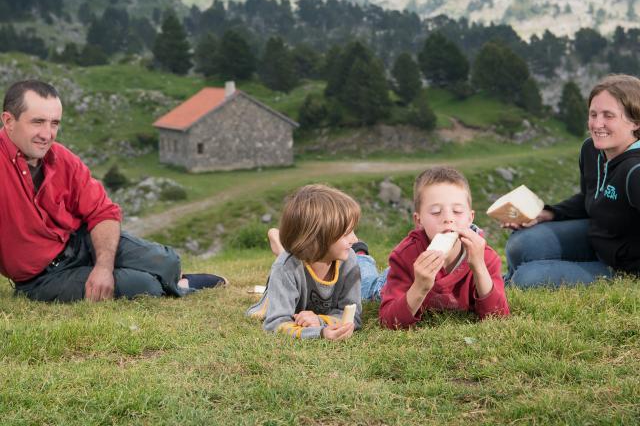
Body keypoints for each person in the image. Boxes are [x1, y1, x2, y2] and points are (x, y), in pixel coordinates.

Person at [0, 80, 227, 302]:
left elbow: (103, 212)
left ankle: (173, 278)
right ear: (9, 121)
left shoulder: (62, 158)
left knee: (168, 261)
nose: (47, 134)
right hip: (42, 278)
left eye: (54, 123)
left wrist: (103, 267)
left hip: (80, 243)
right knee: (143, 286)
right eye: (38, 122)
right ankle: (176, 285)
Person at [504, 74, 640, 287]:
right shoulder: (591, 150)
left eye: (608, 116)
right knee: (519, 243)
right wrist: (548, 213)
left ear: (635, 122)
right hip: (596, 238)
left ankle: (507, 285)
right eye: (593, 114)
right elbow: (591, 197)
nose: (597, 124)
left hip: (623, 267)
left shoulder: (635, 170)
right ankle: (503, 284)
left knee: (526, 278)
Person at [379, 166, 509, 329]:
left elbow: (499, 317)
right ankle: (361, 257)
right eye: (435, 212)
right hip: (389, 283)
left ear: (470, 218)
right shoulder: (404, 256)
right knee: (372, 286)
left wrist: (479, 267)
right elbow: (388, 321)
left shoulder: (485, 256)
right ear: (419, 220)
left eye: (457, 211)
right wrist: (419, 287)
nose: (448, 218)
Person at [247, 184, 361, 340]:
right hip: (287, 275)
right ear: (318, 238)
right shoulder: (285, 269)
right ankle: (280, 247)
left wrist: (320, 321)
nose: (355, 239)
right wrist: (319, 333)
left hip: (305, 267)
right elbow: (275, 323)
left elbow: (353, 316)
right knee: (267, 305)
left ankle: (280, 244)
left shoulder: (349, 260)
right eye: (347, 233)